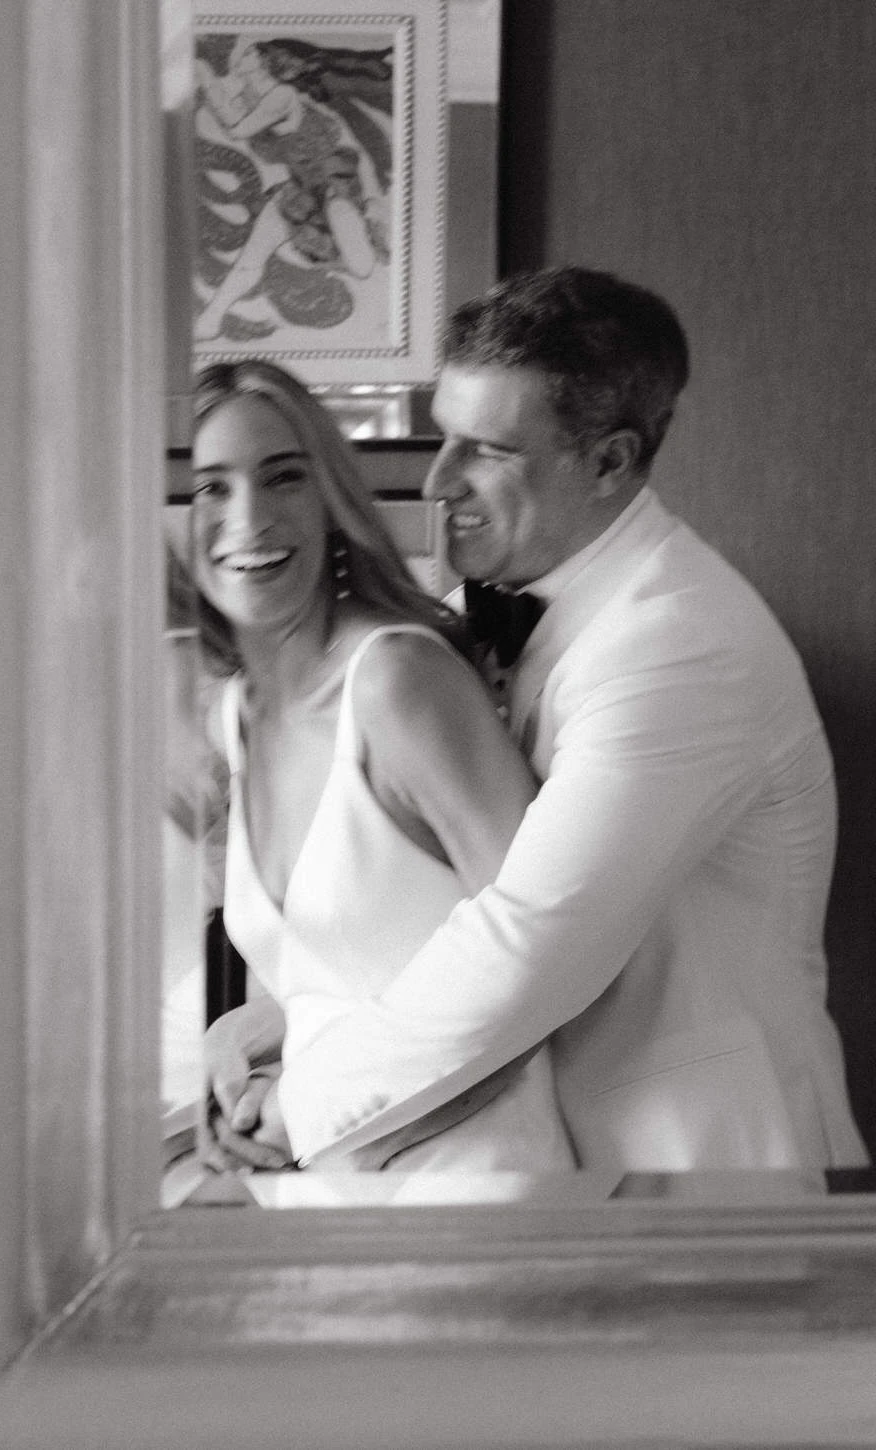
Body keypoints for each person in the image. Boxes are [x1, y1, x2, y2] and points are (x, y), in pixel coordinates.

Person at [225, 266, 869, 1174]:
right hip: (539, 1165)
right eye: (442, 436)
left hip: (706, 1170)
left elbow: (531, 941)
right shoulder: (474, 614)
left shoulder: (680, 647)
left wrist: (304, 1107)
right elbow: (418, 919)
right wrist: (268, 1029)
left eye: (487, 449)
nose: (439, 480)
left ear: (609, 461)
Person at [191, 358, 575, 1174]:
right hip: (326, 1182)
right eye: (212, 488)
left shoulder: (400, 682)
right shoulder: (236, 715)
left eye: (283, 477)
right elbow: (337, 978)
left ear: (332, 501)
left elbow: (546, 964)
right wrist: (242, 1046)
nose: (248, 518)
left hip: (476, 1182)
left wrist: (321, 1122)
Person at [193, 37, 390, 342]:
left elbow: (236, 128)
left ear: (262, 63)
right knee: (251, 257)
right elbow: (233, 121)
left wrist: (206, 77)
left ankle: (339, 249)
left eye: (247, 53)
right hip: (299, 189)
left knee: (362, 267)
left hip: (333, 185)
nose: (239, 57)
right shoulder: (251, 99)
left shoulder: (282, 95)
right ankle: (212, 317)